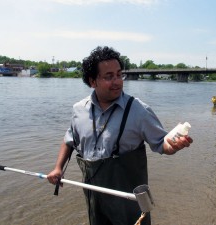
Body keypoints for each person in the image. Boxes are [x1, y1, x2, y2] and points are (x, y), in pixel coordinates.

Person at [47, 46, 193, 225]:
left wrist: (173, 146)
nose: (117, 81)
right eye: (109, 76)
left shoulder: (139, 110)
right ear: (93, 81)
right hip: (94, 197)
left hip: (130, 201)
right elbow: (69, 140)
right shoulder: (79, 110)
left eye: (119, 74)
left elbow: (162, 144)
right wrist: (58, 168)